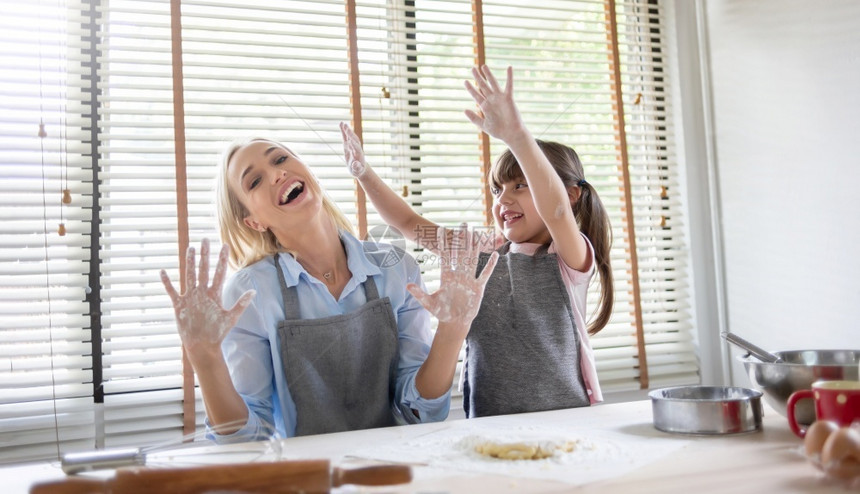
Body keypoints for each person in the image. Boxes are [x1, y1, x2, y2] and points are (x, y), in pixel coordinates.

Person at [160, 136, 498, 443]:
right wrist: (204, 359)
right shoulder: (249, 294)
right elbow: (248, 440)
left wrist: (453, 331)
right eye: (255, 180)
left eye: (279, 160)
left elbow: (419, 412)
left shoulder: (396, 269)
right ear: (254, 222)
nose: (276, 173)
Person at [342, 65, 614, 418]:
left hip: (565, 422)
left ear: (573, 194)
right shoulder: (481, 251)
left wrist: (516, 136)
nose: (503, 200)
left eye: (520, 185)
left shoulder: (567, 255)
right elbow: (409, 223)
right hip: (488, 425)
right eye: (497, 189)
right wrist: (364, 174)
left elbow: (556, 213)